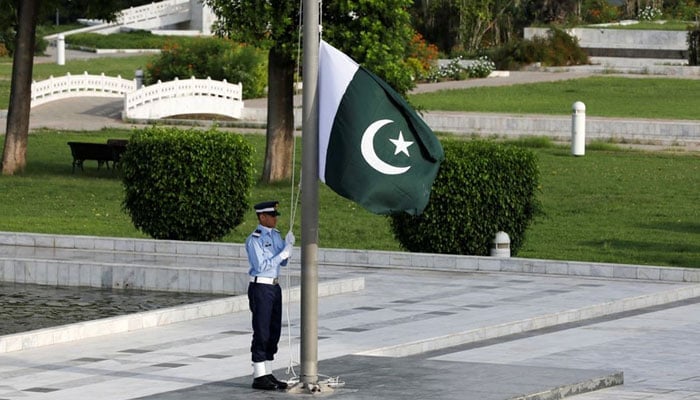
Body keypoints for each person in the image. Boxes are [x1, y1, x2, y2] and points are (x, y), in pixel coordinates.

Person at [245, 200, 295, 391]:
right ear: (262, 217)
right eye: (272, 216)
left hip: (274, 287)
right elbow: (261, 266)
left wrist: (287, 247)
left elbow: (281, 264)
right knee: (262, 331)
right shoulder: (255, 239)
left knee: (273, 332)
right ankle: (259, 375)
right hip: (261, 288)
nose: (275, 219)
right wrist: (283, 254)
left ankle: (268, 372)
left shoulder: (275, 235)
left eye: (275, 215)